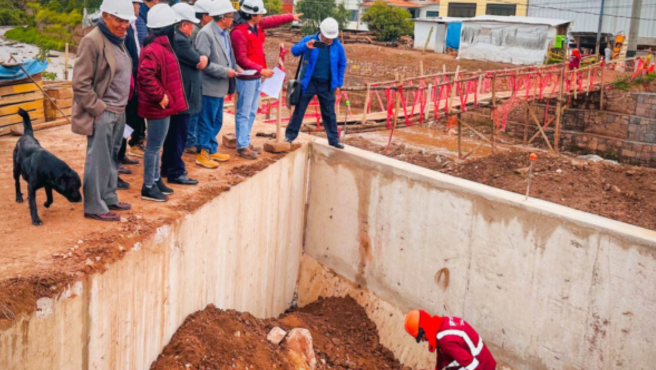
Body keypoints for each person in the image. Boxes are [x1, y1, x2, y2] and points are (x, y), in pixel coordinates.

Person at [71, 0, 135, 222]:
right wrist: (98, 109)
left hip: (119, 110)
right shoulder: (92, 41)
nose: (124, 25)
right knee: (97, 159)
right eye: (119, 20)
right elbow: (80, 83)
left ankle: (108, 196)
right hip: (103, 110)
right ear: (106, 16)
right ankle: (94, 205)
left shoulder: (118, 40)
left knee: (111, 158)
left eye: (126, 21)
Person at [230, 0, 302, 159]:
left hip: (256, 76)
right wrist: (260, 69)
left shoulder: (255, 26)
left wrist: (290, 17)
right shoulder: (238, 32)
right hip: (247, 77)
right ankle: (242, 146)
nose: (262, 15)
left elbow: (272, 20)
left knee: (251, 112)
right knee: (244, 112)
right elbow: (240, 58)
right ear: (251, 14)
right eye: (259, 13)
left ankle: (245, 141)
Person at [138, 4, 188, 201]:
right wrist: (160, 96)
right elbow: (145, 75)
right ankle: (148, 186)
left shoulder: (160, 45)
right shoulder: (155, 48)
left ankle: (156, 179)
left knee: (157, 145)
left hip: (163, 106)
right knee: (153, 147)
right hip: (157, 106)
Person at [285, 18, 346, 149]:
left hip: (327, 84)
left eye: (331, 38)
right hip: (309, 82)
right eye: (327, 37)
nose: (329, 40)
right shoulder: (310, 39)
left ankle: (334, 140)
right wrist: (306, 46)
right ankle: (289, 136)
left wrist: (338, 84)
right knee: (299, 110)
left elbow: (342, 64)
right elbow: (294, 51)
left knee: (329, 112)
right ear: (321, 32)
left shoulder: (337, 45)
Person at [161, 2, 204, 185]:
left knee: (173, 134)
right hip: (183, 95)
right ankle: (176, 171)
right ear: (184, 24)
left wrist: (202, 57)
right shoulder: (179, 40)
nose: (193, 27)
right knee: (178, 134)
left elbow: (200, 56)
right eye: (191, 24)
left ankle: (167, 166)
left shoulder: (179, 38)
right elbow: (198, 59)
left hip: (182, 94)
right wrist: (201, 58)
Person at [194, 0, 239, 169]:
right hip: (209, 86)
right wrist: (225, 71)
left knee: (217, 120)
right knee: (206, 121)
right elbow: (203, 64)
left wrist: (235, 68)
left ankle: (212, 148)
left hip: (221, 86)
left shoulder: (224, 32)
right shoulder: (206, 34)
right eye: (230, 16)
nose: (232, 19)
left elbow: (228, 55)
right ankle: (202, 152)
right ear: (222, 18)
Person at [404, 310, 497, 370]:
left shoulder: (445, 340)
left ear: (423, 331)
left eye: (420, 337)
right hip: (484, 360)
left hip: (482, 366)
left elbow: (471, 363)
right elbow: (442, 353)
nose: (423, 340)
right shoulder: (440, 325)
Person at [183, 0, 214, 154]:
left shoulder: (197, 30)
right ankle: (189, 141)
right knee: (193, 111)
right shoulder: (195, 32)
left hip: (196, 75)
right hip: (193, 76)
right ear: (204, 16)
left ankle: (191, 140)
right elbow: (196, 56)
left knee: (195, 111)